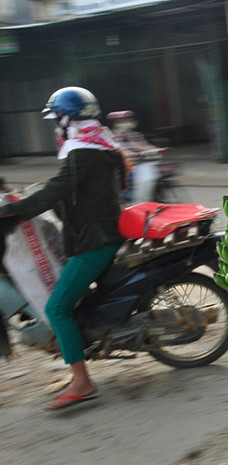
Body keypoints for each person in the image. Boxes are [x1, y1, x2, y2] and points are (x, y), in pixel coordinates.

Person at [0, 86, 126, 410]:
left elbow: (55, 190)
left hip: (95, 242)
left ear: (69, 118)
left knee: (57, 308)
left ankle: (83, 381)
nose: (55, 124)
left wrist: (10, 211)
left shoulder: (82, 152)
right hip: (100, 234)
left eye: (57, 118)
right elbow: (63, 189)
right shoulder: (100, 144)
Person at [107, 110, 168, 204]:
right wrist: (130, 154)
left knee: (149, 178)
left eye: (130, 120)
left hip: (140, 163)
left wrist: (157, 149)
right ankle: (135, 203)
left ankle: (145, 202)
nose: (129, 122)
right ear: (117, 122)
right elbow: (120, 148)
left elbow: (143, 145)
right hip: (125, 165)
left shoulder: (135, 134)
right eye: (125, 120)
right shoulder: (113, 135)